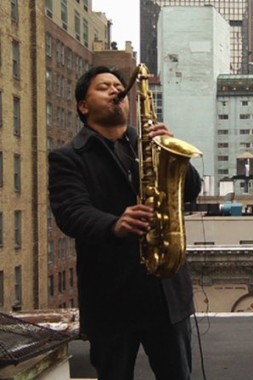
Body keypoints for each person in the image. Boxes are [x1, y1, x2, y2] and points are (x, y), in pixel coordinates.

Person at [48, 66, 201, 380]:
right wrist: (114, 224)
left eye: (119, 86)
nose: (116, 90)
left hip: (166, 295)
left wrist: (169, 150)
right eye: (104, 87)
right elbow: (70, 213)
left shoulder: (150, 145)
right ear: (83, 106)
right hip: (111, 299)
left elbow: (192, 192)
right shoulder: (68, 157)